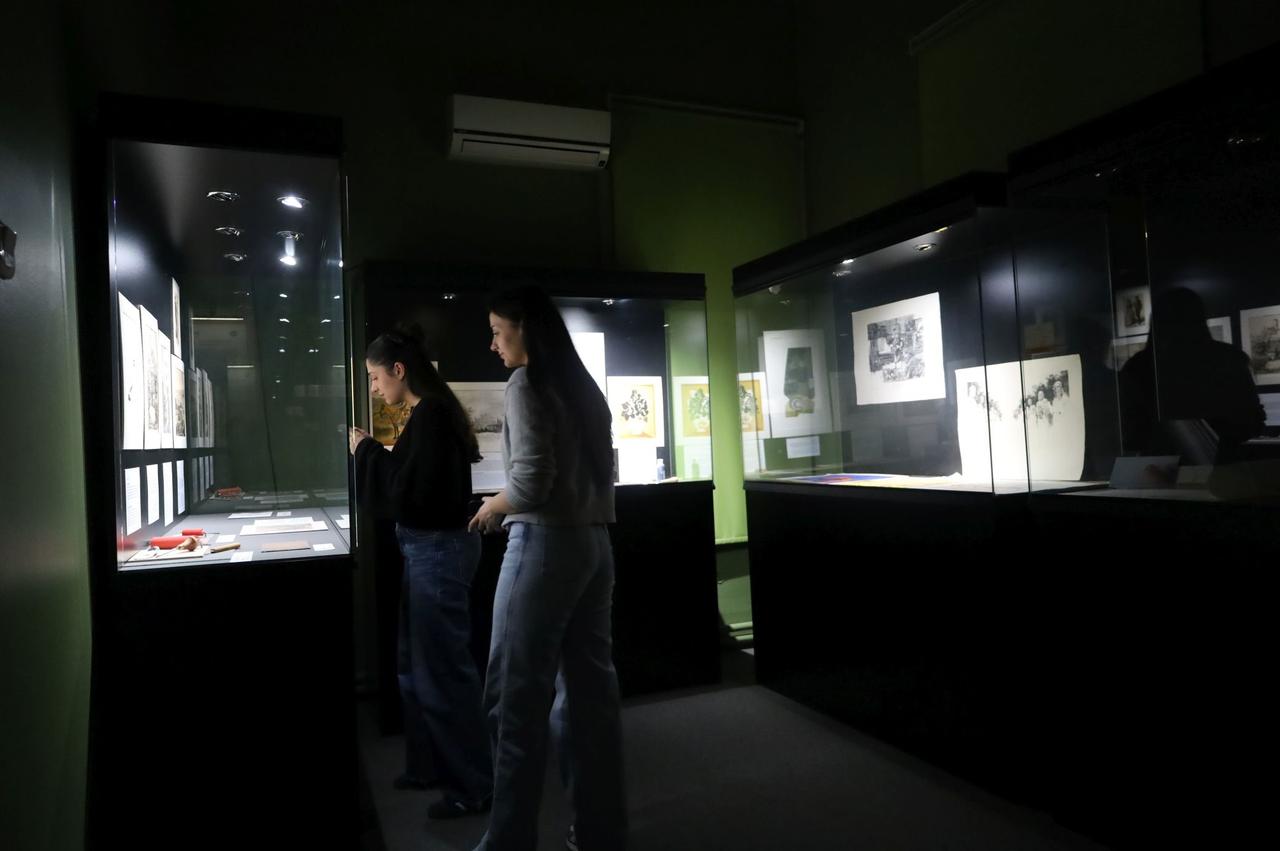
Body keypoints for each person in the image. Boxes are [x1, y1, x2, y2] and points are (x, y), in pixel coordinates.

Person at [468, 286, 626, 851]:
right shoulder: (584, 389)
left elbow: (532, 483)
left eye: (498, 331)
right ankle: (600, 833)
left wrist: (493, 505)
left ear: (525, 330)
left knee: (513, 698)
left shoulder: (526, 383)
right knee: (590, 701)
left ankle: (508, 841)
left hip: (542, 546)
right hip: (594, 547)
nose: (493, 344)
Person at [348, 324, 494, 820]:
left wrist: (365, 451)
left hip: (437, 552)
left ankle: (473, 785)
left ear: (399, 370)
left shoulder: (429, 417)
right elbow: (413, 482)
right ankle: (431, 765)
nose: (373, 387)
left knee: (443, 673)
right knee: (415, 667)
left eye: (374, 377)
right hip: (429, 550)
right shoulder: (429, 413)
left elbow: (410, 490)